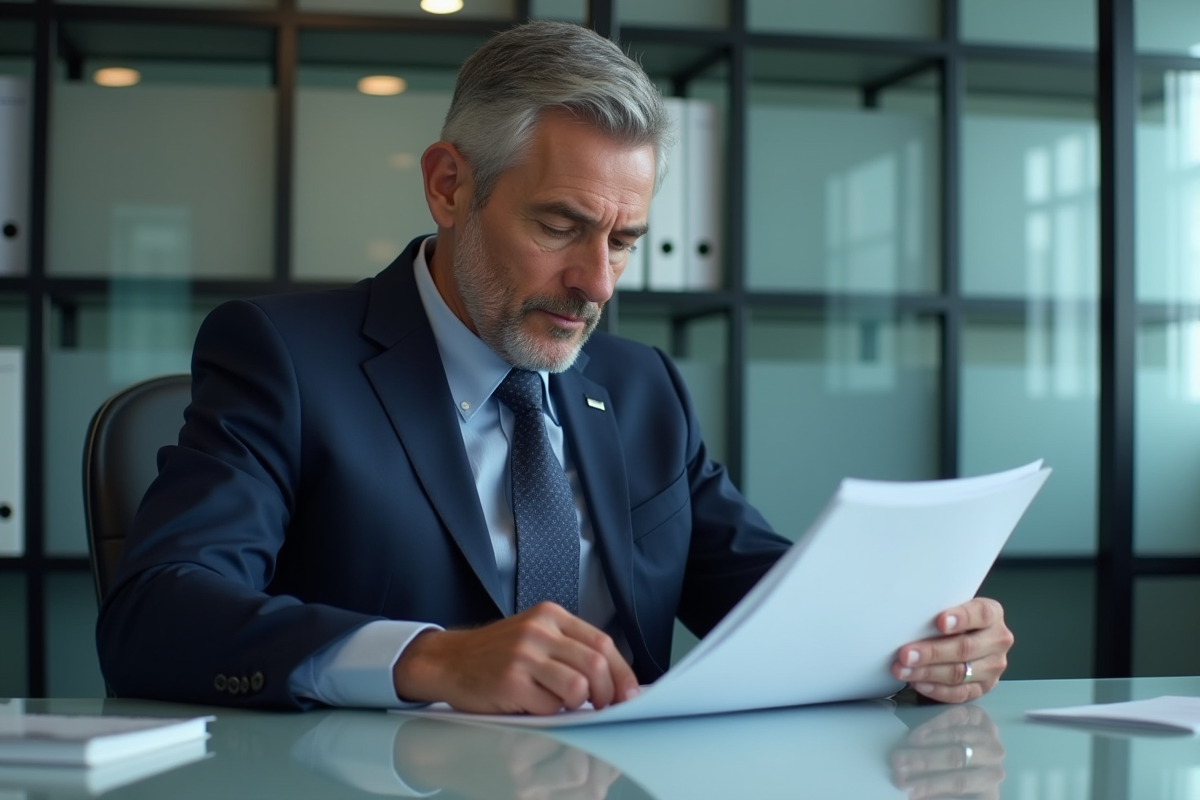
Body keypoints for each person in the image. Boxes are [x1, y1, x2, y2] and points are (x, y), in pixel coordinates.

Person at [96, 20, 1014, 713]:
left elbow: (779, 601)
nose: (595, 283)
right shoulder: (286, 359)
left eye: (625, 240)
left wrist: (921, 635)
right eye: (559, 226)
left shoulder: (645, 386)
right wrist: (432, 660)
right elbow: (157, 616)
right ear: (450, 185)